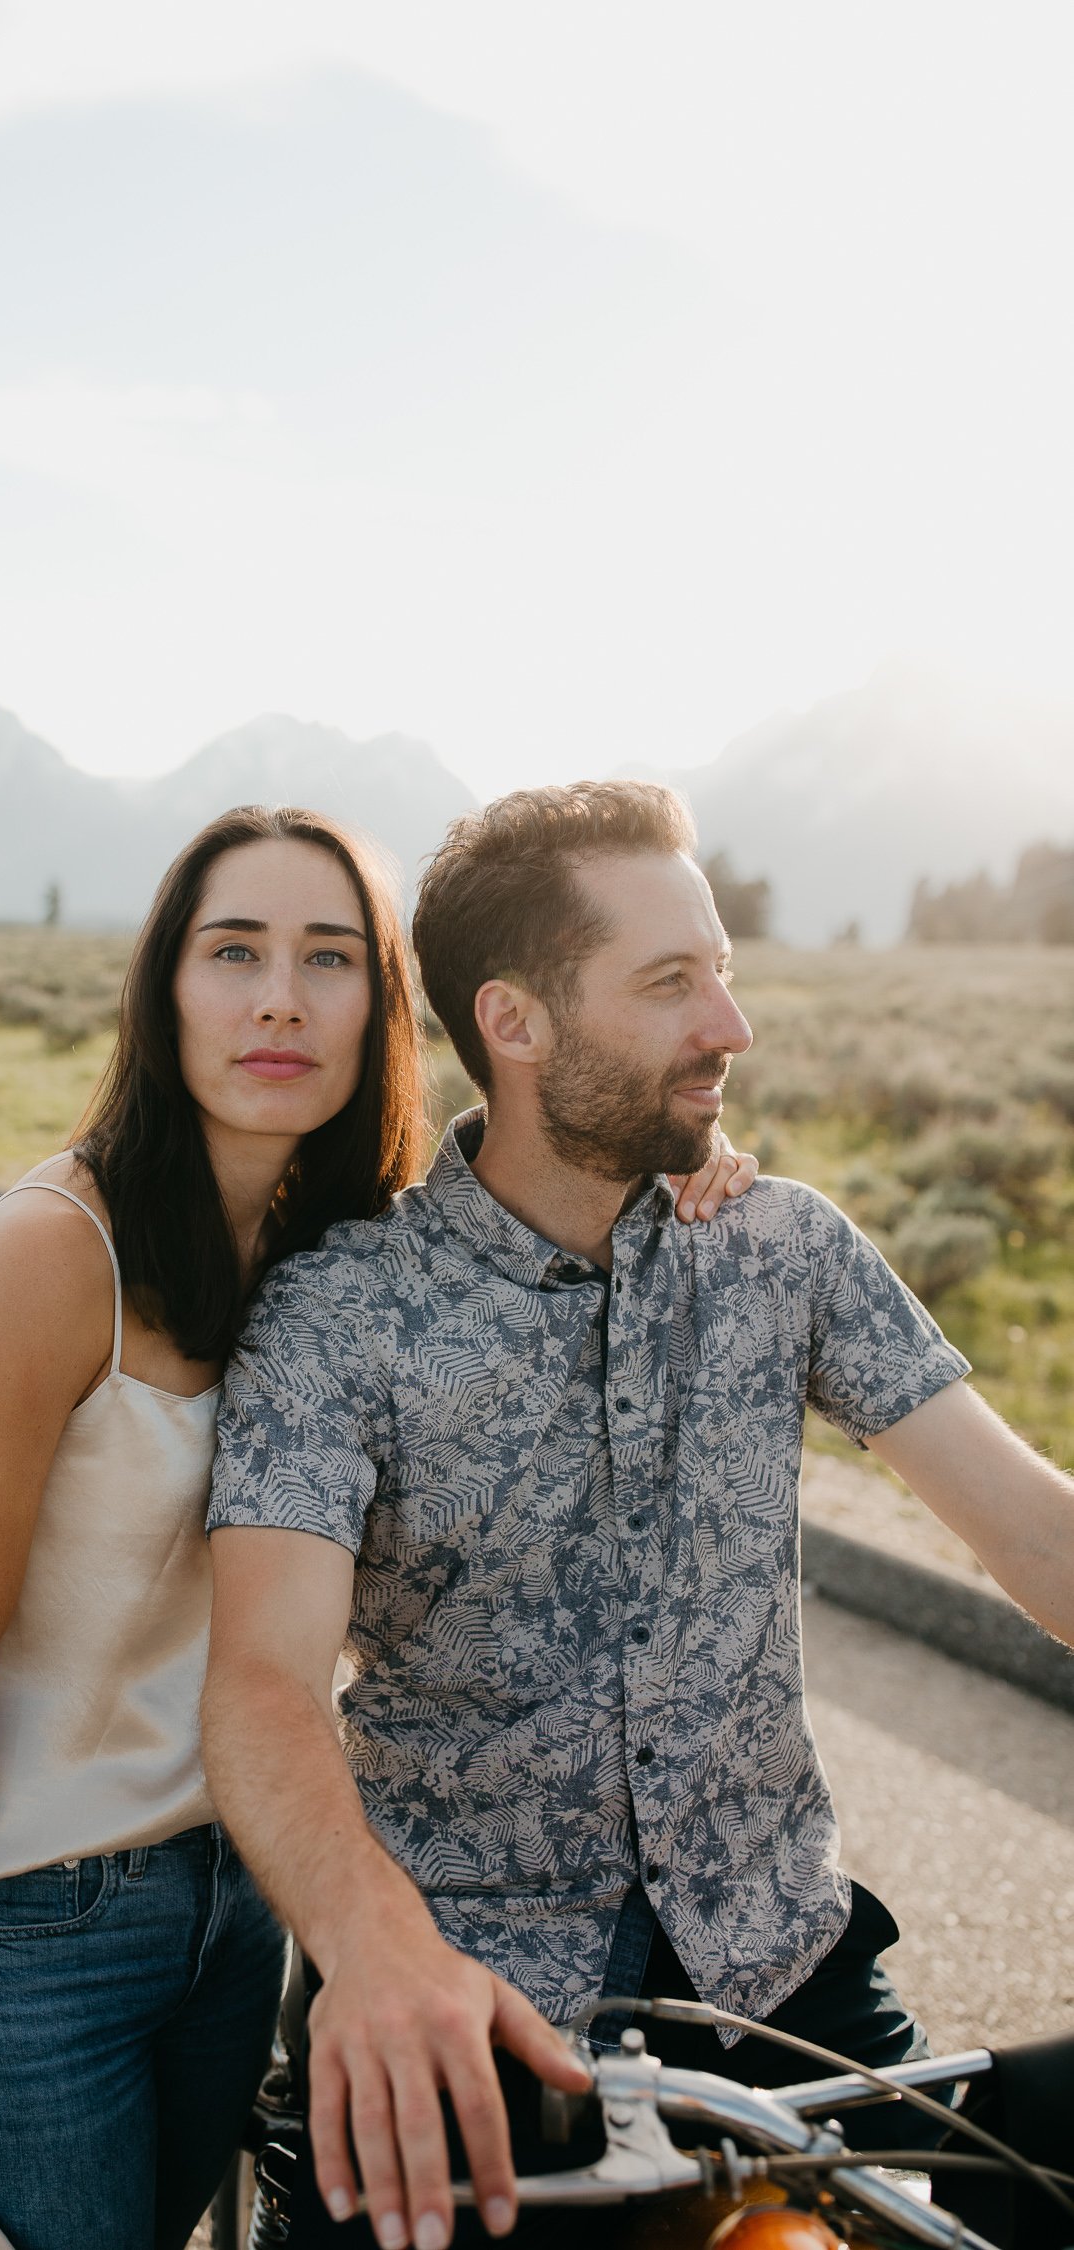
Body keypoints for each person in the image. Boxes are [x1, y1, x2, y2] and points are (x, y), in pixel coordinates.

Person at [0, 794, 764, 2250]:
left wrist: (684, 1159)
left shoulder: (335, 1255)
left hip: (242, 1898)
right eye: (233, 950)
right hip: (42, 1921)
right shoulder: (50, 1253)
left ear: (380, 1004)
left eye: (330, 958)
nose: (279, 997)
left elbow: (530, 1187)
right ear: (166, 987)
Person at [201, 780, 1074, 2250]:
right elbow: (263, 1682)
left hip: (787, 1983)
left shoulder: (783, 1250)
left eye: (722, 970)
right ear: (517, 1023)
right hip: (467, 2014)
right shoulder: (343, 1313)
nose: (728, 1025)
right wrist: (372, 1950)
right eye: (672, 983)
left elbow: (1043, 1538)